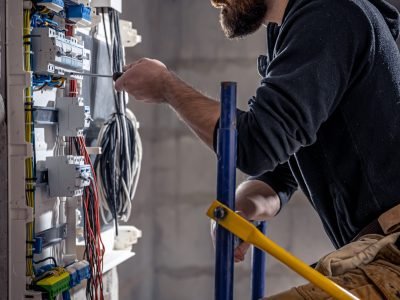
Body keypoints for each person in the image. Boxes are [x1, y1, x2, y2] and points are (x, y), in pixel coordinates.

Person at [115, 0, 400, 298]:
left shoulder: (329, 14)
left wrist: (167, 87)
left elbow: (256, 145)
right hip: (379, 251)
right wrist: (245, 207)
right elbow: (285, 169)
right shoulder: (303, 24)